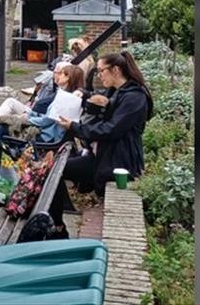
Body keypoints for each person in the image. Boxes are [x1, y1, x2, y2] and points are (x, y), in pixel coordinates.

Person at [49, 51, 153, 238]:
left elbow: (111, 130)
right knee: (53, 169)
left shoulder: (135, 97)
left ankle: (58, 229)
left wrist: (75, 127)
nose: (99, 75)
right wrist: (84, 96)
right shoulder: (117, 91)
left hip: (118, 161)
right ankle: (57, 227)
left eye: (101, 71)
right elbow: (101, 102)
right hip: (101, 156)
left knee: (55, 170)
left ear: (116, 70)